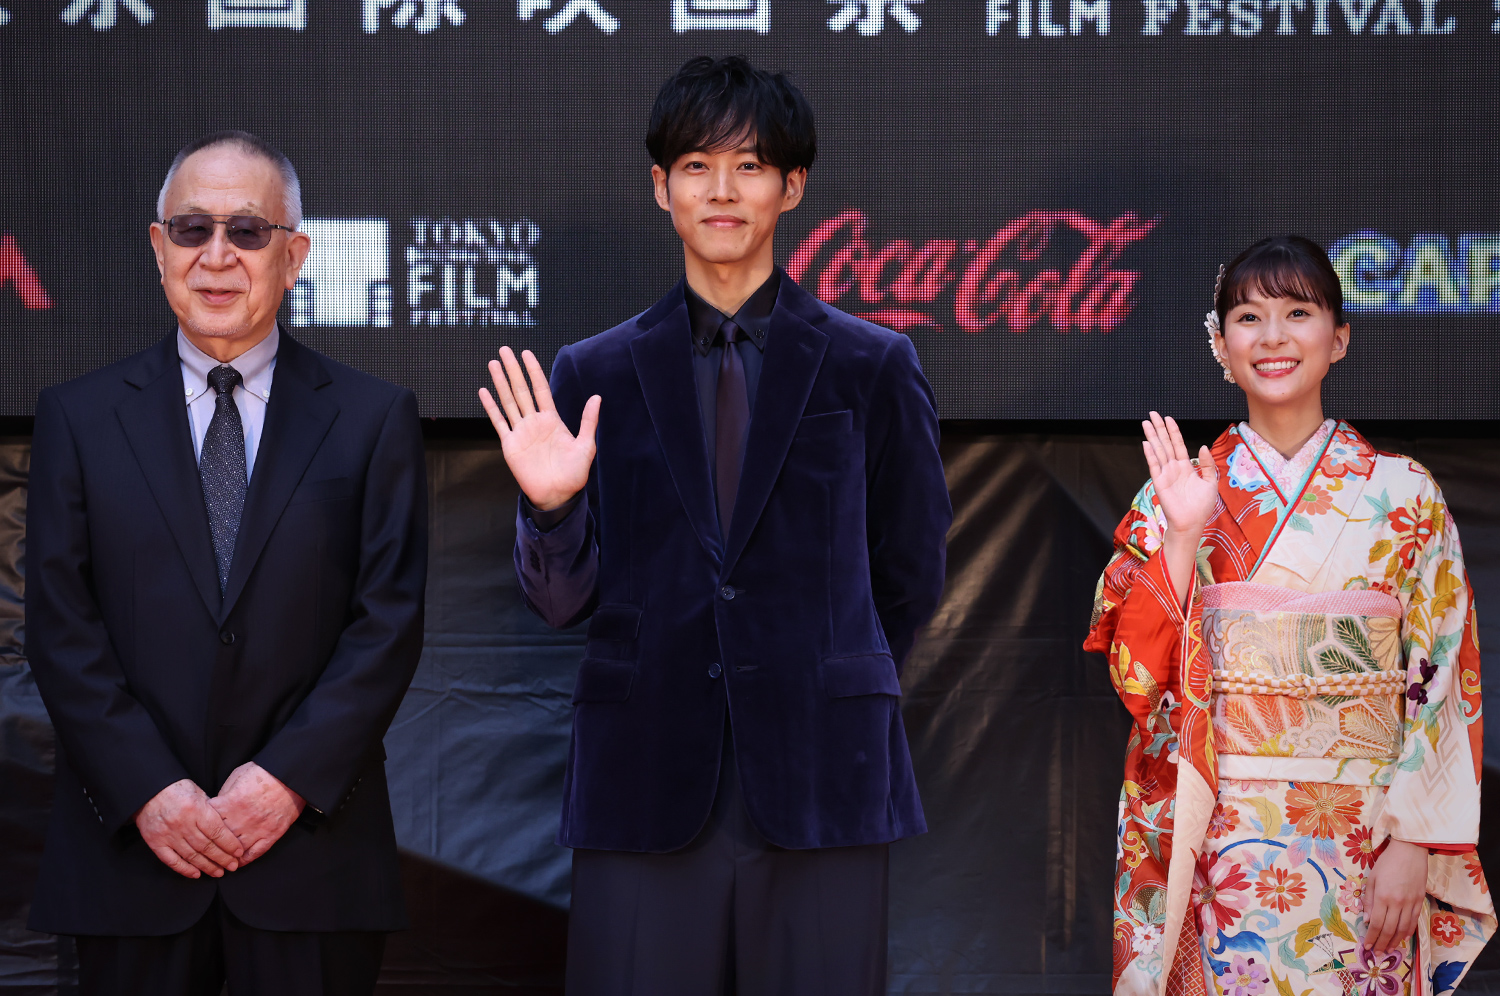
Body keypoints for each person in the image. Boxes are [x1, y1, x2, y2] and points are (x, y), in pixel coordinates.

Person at [478, 55, 951, 996]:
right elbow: (562, 602)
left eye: (750, 164)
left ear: (792, 186)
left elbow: (911, 568)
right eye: (697, 165)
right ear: (661, 188)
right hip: (645, 775)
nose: (723, 190)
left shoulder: (872, 364)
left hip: (825, 774)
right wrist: (551, 507)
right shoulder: (591, 371)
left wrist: (820, 668)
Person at [25, 131, 428, 996]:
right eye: (190, 229)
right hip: (131, 860)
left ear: (294, 256)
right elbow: (60, 626)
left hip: (310, 864)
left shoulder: (372, 418)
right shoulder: (78, 418)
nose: (216, 256)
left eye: (247, 231)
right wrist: (151, 791)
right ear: (156, 248)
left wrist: (283, 784)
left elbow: (387, 624)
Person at [1086, 235, 1494, 996]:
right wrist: (1180, 535)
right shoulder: (1178, 492)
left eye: (1297, 312)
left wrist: (1416, 841)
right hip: (1217, 835)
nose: (1272, 337)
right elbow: (1135, 676)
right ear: (1221, 344)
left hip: (1364, 836)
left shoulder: (1404, 493)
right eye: (1247, 316)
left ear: (1338, 337)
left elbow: (1445, 670)